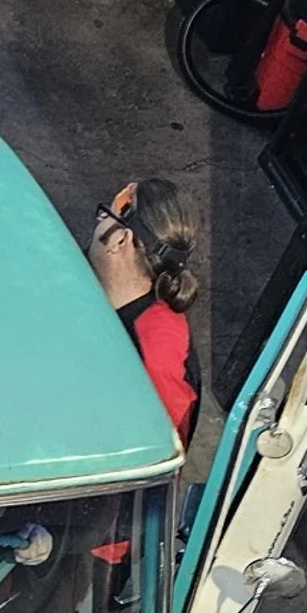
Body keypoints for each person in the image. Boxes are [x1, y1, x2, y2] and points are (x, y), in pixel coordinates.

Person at [87, 174, 199, 446]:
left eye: (105, 217)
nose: (96, 226)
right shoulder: (96, 289)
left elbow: (161, 455)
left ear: (120, 241)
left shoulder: (157, 351)